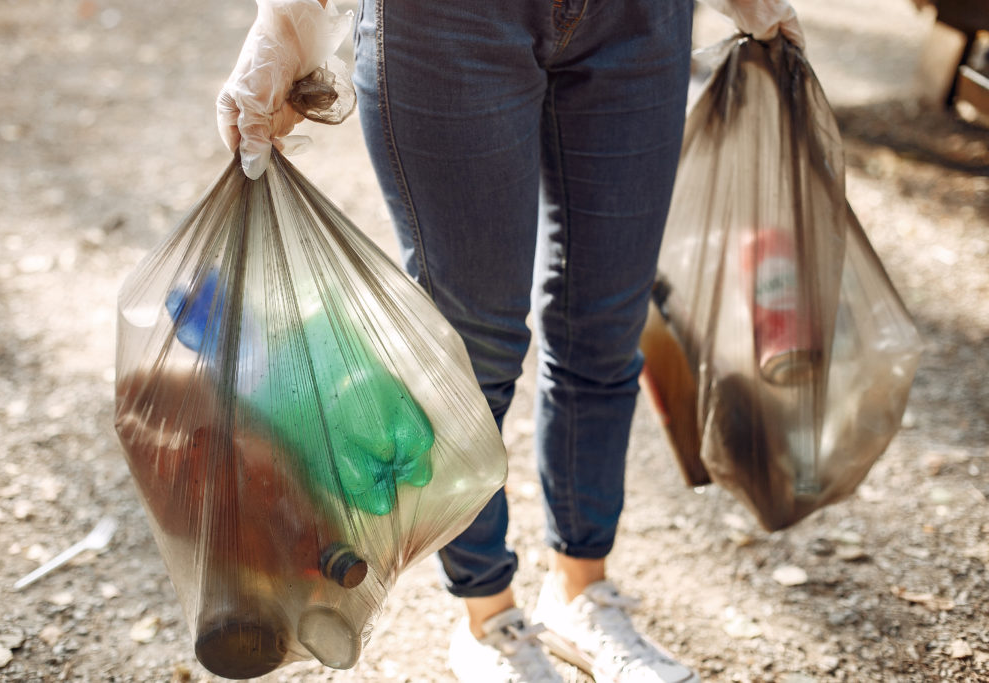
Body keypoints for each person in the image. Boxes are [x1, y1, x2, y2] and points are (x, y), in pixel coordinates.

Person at [217, 1, 804, 681]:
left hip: (639, 17)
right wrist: (288, 23)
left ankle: (582, 593)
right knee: (474, 354)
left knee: (606, 331)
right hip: (447, 23)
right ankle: (487, 616)